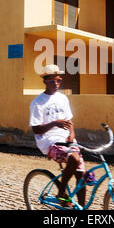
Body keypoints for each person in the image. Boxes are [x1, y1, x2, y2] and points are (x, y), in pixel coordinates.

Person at [29, 64, 86, 208]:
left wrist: (71, 135)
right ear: (45, 81)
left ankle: (82, 208)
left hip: (67, 140)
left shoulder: (62, 98)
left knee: (81, 176)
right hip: (50, 142)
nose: (56, 84)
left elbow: (69, 122)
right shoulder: (37, 103)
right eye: (52, 81)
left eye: (59, 80)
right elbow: (36, 129)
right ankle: (61, 192)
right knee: (74, 158)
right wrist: (54, 123)